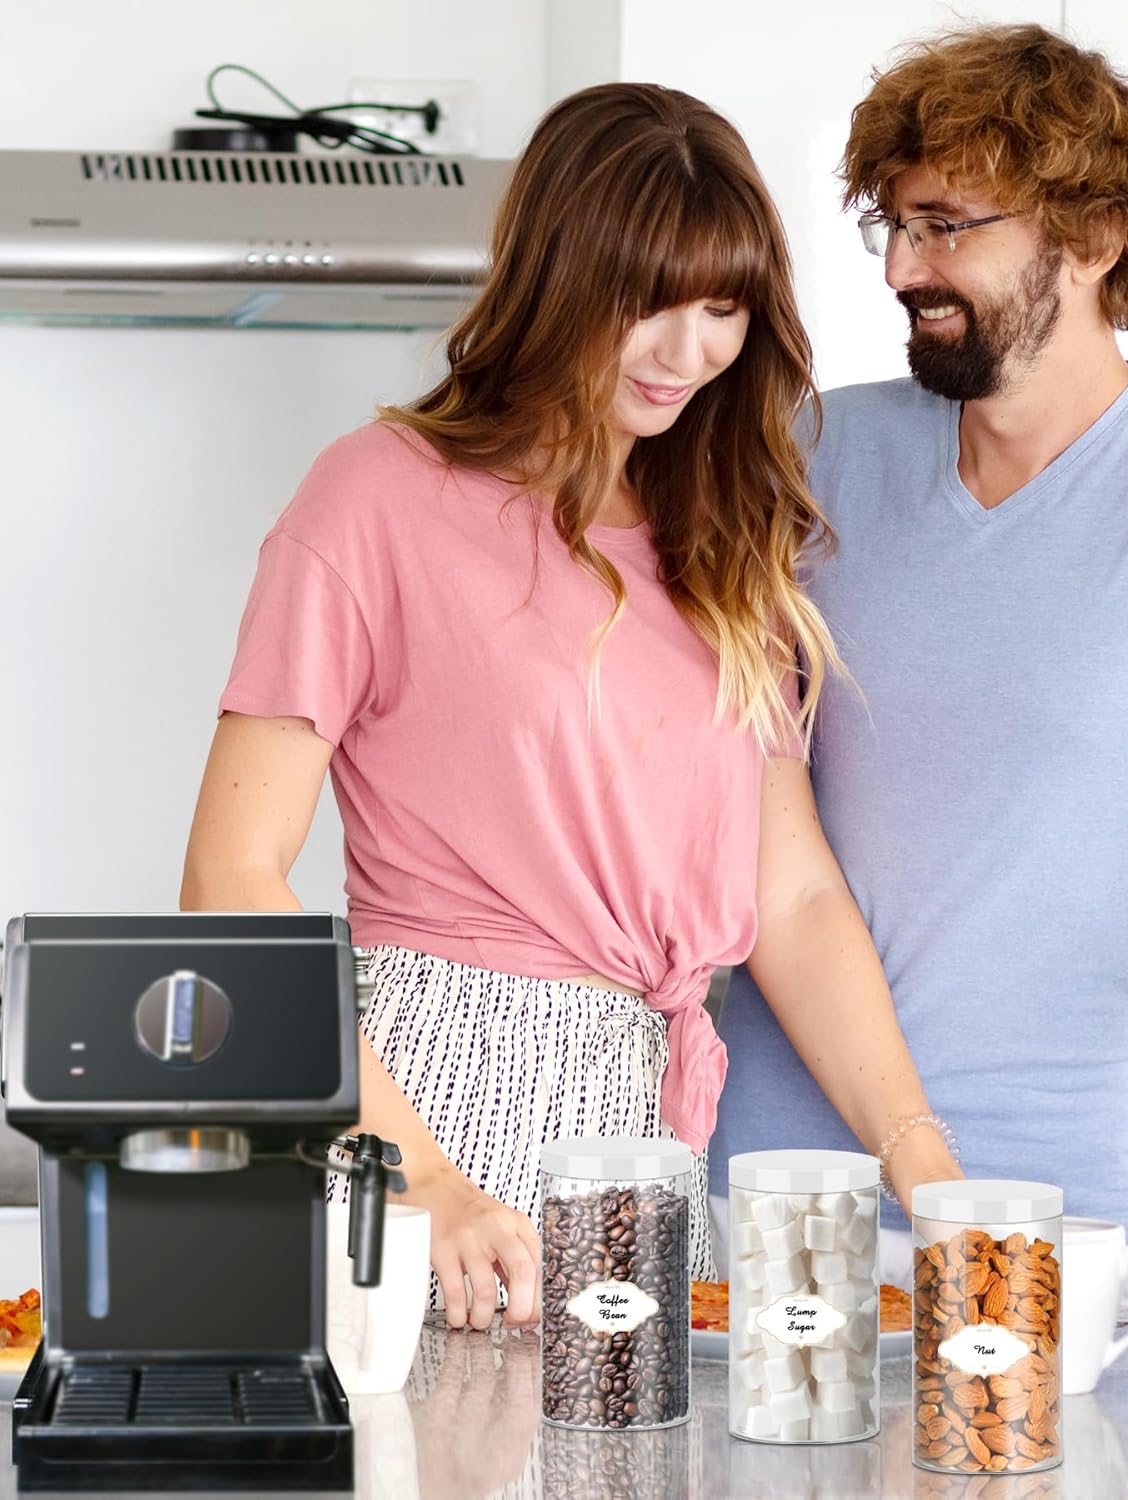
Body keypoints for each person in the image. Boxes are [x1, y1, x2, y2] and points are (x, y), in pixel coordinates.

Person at [180, 82, 960, 1330]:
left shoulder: (722, 539)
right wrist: (415, 1175)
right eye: (648, 300)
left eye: (722, 308)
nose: (687, 353)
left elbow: (793, 897)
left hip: (637, 1131)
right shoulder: (376, 498)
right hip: (424, 1106)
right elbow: (229, 881)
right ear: (559, 276)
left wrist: (925, 1163)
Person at [710, 23, 1128, 1279]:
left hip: (1057, 1212)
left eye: (946, 226)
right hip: (771, 1193)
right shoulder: (809, 458)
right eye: (893, 225)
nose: (902, 268)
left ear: (1094, 237)